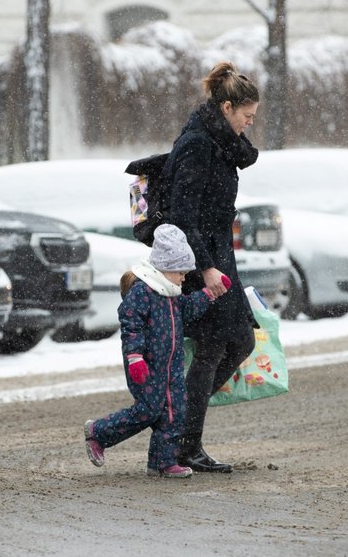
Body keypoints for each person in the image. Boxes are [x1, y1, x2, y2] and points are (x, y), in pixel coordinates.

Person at [164, 61, 260, 474]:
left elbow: (244, 156)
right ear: (226, 108)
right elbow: (182, 214)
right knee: (213, 347)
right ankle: (185, 442)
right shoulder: (197, 145)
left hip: (221, 255)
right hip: (201, 259)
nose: (249, 124)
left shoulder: (221, 143)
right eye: (246, 116)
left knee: (241, 341)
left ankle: (178, 421)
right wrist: (203, 269)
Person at [84, 224, 228, 478]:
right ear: (166, 268)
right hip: (146, 366)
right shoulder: (143, 292)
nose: (184, 278)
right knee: (149, 410)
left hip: (171, 366)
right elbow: (131, 326)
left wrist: (209, 294)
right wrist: (135, 358)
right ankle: (99, 432)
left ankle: (162, 462)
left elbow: (189, 308)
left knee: (175, 412)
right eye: (181, 272)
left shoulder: (172, 294)